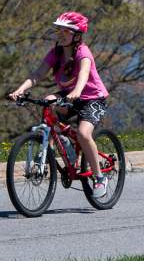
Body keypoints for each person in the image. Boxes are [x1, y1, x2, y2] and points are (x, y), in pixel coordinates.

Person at [8, 11, 112, 198]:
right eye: (59, 30)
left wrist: (77, 92)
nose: (61, 34)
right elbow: (37, 74)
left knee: (83, 133)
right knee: (48, 101)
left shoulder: (83, 52)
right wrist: (20, 90)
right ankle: (54, 148)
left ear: (77, 35)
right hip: (70, 95)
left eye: (66, 31)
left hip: (92, 98)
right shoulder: (56, 53)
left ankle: (99, 178)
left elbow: (84, 75)